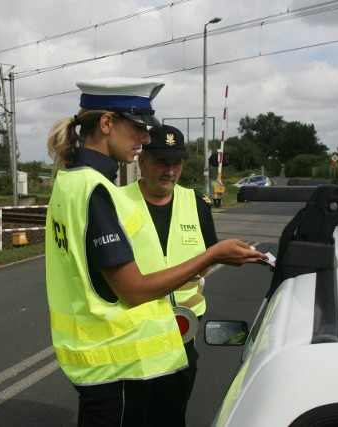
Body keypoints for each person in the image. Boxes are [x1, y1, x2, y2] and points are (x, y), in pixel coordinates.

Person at [45, 76, 265, 427]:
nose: (146, 138)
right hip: (116, 367)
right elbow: (133, 291)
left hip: (94, 365)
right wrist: (212, 255)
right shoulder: (97, 191)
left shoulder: (69, 181)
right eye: (139, 128)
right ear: (106, 124)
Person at [121, 124, 217, 425]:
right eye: (163, 162)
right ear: (142, 161)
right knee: (136, 409)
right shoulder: (115, 202)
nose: (170, 171)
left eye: (176, 163)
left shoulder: (197, 204)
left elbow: (208, 257)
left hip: (182, 326)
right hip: (134, 326)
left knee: (173, 410)